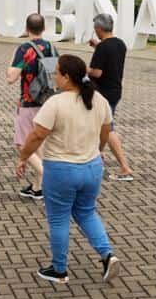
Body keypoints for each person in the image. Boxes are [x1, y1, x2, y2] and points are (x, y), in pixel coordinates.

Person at [16, 55, 120, 285]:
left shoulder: (56, 103)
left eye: (57, 73)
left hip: (61, 169)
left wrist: (23, 157)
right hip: (92, 167)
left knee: (59, 218)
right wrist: (99, 149)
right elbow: (106, 131)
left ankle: (59, 269)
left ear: (66, 77)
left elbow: (37, 135)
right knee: (86, 212)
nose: (54, 77)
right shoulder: (98, 99)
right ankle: (107, 254)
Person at [5, 13, 54, 200]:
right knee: (38, 142)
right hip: (48, 101)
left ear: (26, 29)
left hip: (28, 102)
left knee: (22, 144)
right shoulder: (51, 46)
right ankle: (37, 187)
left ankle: (47, 179)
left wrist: (13, 60)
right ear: (44, 28)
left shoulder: (24, 49)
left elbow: (11, 78)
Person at [88, 13, 133, 180]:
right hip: (115, 90)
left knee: (108, 129)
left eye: (95, 29)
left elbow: (97, 72)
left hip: (103, 92)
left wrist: (84, 69)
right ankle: (97, 157)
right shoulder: (119, 44)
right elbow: (110, 58)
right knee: (102, 126)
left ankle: (125, 167)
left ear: (99, 28)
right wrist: (97, 47)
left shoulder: (103, 47)